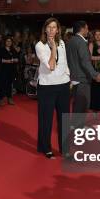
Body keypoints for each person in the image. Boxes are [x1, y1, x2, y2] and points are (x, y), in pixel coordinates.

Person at [35, 18, 71, 159]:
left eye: (54, 27)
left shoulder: (62, 42)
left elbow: (64, 62)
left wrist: (68, 76)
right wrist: (53, 47)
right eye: (49, 27)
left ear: (58, 30)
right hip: (47, 87)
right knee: (46, 119)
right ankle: (45, 147)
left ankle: (65, 148)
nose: (51, 30)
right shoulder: (40, 45)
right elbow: (51, 66)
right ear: (45, 29)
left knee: (64, 119)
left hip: (63, 85)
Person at [66, 21, 100, 116]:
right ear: (82, 29)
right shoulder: (81, 42)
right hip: (82, 79)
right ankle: (78, 128)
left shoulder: (70, 41)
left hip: (73, 77)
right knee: (82, 106)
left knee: (77, 105)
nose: (88, 30)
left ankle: (76, 127)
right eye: (87, 28)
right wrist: (95, 75)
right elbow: (85, 61)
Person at [0, 36, 18, 105]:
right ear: (5, 42)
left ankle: (9, 98)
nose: (9, 43)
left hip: (11, 70)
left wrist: (15, 60)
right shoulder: (1, 49)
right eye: (7, 41)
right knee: (3, 84)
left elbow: (17, 58)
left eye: (10, 41)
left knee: (9, 84)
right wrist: (7, 61)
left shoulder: (13, 50)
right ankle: (1, 99)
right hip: (3, 70)